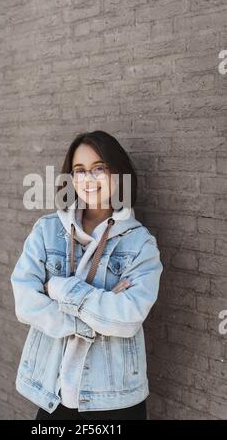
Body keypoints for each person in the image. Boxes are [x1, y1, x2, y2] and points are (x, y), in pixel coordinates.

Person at [10, 130, 163, 420]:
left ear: (118, 174)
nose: (88, 179)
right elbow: (26, 303)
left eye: (99, 169)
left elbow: (128, 317)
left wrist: (57, 288)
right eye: (79, 170)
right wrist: (101, 309)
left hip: (114, 397)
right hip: (54, 393)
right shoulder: (46, 231)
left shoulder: (140, 243)